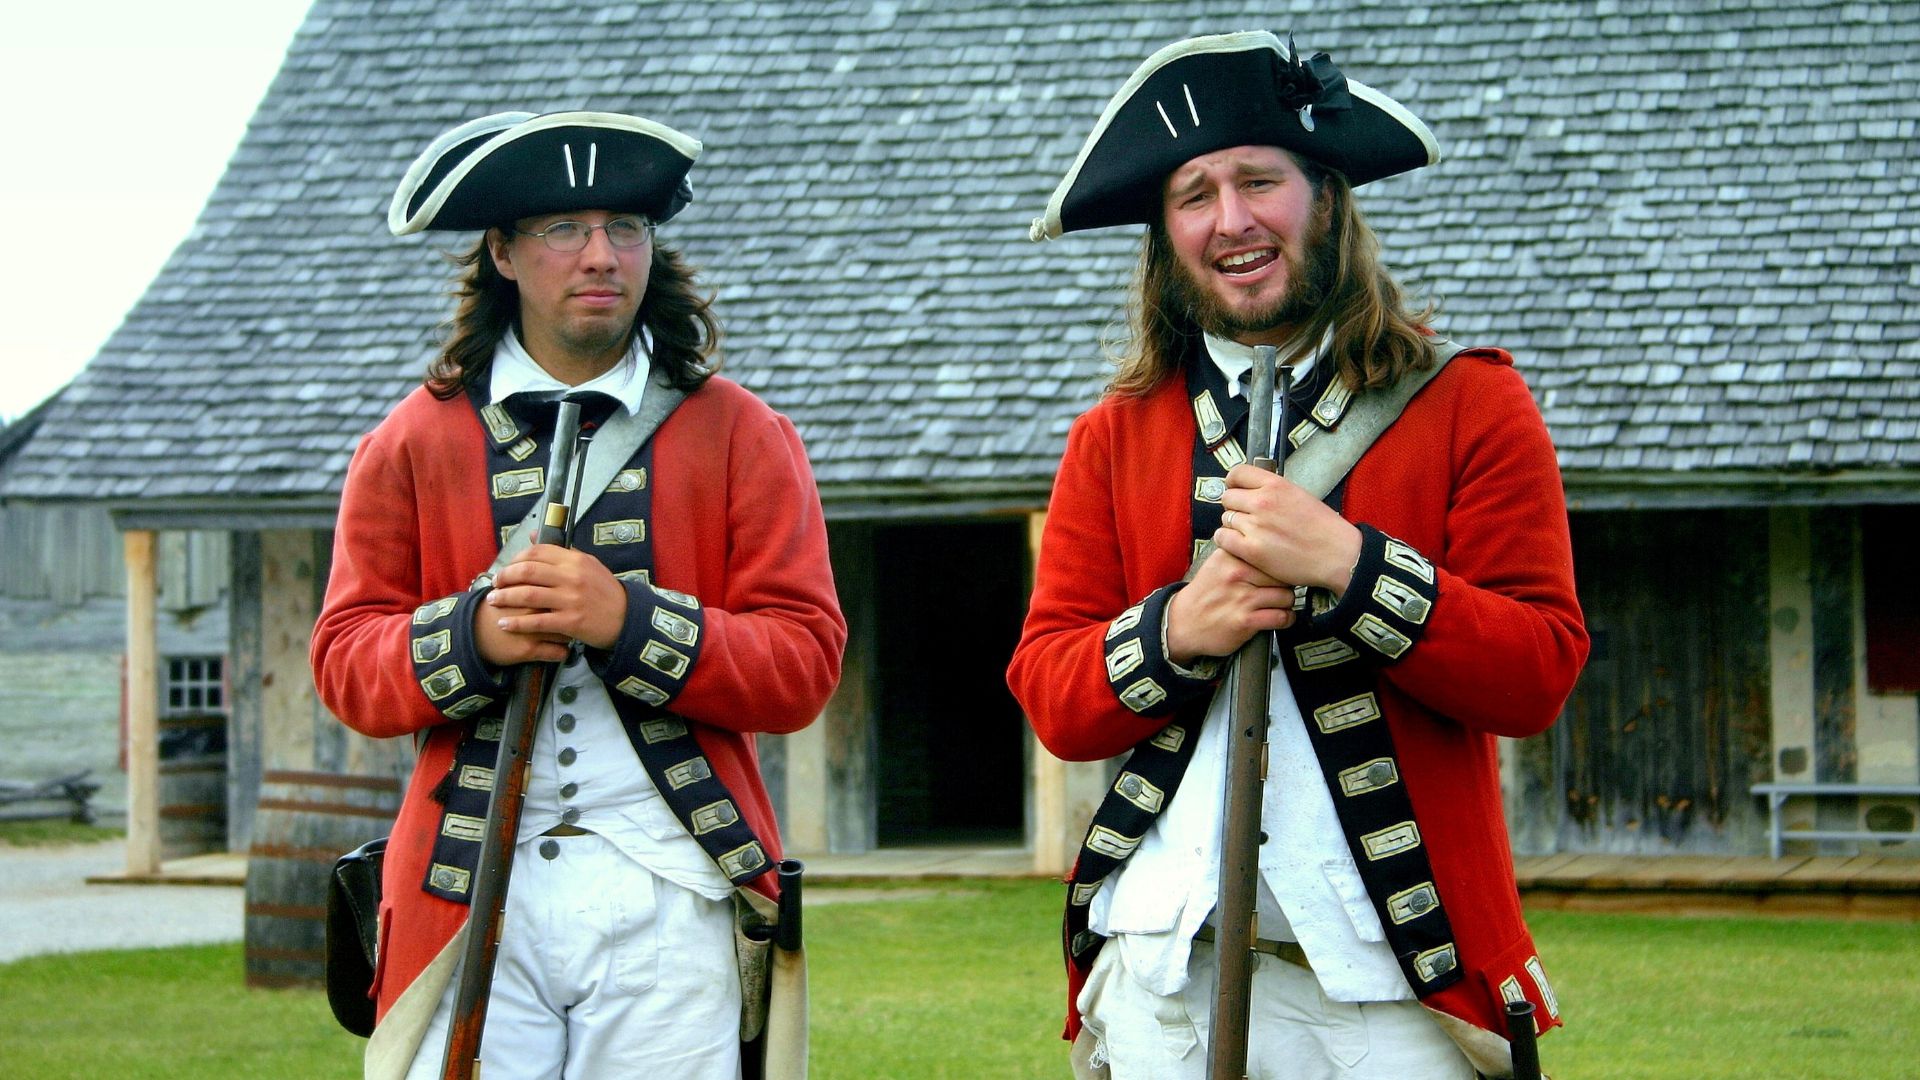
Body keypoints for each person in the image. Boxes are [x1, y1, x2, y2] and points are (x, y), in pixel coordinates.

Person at [1007, 32, 1589, 1080]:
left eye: (1259, 181)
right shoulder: (1113, 436)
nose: (1231, 220)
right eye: (1194, 195)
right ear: (1166, 235)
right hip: (1162, 979)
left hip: (1391, 996)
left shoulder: (1473, 403)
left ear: (1326, 198)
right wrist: (1178, 629)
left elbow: (1536, 670)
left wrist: (1352, 565)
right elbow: (1053, 692)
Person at [311, 110, 845, 1080]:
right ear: (503, 252)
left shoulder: (741, 433)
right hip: (467, 890)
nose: (601, 255)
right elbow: (346, 662)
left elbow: (803, 663)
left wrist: (628, 621)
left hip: (672, 885)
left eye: (625, 228)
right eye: (564, 228)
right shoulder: (411, 442)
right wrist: (475, 634)